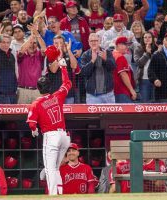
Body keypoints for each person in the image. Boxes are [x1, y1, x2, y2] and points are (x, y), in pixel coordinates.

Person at [26, 45, 72, 195]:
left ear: (39, 89)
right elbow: (67, 84)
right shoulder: (57, 95)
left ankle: (53, 195)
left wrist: (34, 130)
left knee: (50, 168)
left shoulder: (36, 103)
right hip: (65, 136)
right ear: (50, 86)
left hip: (51, 136)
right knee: (55, 168)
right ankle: (59, 191)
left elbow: (32, 123)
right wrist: (64, 69)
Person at [81, 33, 116, 104]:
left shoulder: (107, 52)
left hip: (108, 94)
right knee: (93, 115)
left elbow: (113, 67)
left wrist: (105, 59)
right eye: (91, 41)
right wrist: (92, 61)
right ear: (88, 42)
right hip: (92, 96)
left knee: (111, 115)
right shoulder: (85, 55)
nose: (94, 42)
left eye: (96, 40)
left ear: (100, 41)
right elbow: (84, 73)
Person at [113, 36, 136, 103]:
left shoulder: (113, 54)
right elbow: (123, 74)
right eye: (124, 44)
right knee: (128, 112)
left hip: (115, 91)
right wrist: (131, 90)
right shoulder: (120, 57)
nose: (127, 47)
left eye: (127, 45)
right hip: (122, 91)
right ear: (117, 46)